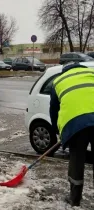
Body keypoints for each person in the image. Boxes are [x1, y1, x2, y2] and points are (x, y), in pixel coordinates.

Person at [50, 62, 94, 207]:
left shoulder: (58, 81)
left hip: (76, 125)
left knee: (77, 161)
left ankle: (75, 199)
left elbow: (54, 111)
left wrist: (58, 131)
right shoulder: (91, 74)